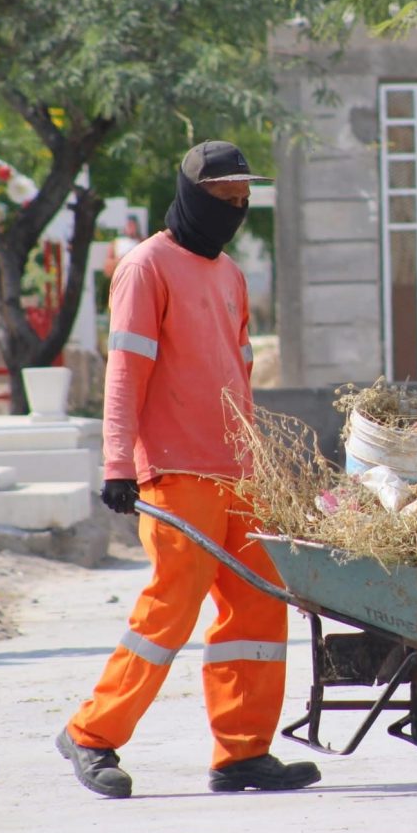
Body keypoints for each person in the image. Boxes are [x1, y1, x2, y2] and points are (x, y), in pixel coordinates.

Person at [57, 140, 321, 798]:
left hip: (239, 473)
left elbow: (239, 374)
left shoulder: (230, 275)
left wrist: (260, 462)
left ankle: (242, 753)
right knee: (170, 610)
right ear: (191, 196)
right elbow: (125, 373)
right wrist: (119, 464)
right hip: (176, 472)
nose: (234, 209)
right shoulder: (146, 267)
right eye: (224, 198)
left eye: (243, 200)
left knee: (259, 608)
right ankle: (91, 734)